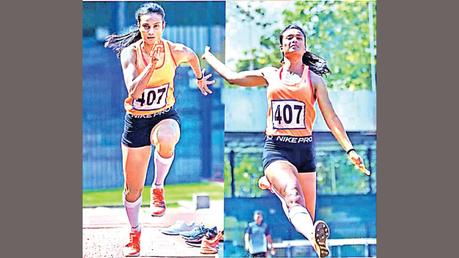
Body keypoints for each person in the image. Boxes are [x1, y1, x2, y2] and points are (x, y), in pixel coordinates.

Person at [202, 24, 370, 257]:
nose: (294, 40)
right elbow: (232, 77)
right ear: (282, 47)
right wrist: (208, 56)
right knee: (293, 196)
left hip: (304, 152)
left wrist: (350, 150)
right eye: (289, 38)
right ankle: (276, 187)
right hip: (277, 150)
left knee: (305, 218)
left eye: (299, 37)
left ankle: (287, 204)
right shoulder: (270, 74)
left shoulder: (314, 80)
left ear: (304, 46)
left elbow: (331, 117)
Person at [104, 2, 214, 257]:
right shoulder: (129, 54)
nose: (151, 31)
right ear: (139, 28)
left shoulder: (175, 50)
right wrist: (152, 67)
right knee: (132, 188)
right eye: (146, 26)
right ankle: (134, 234)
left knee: (167, 136)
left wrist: (198, 78)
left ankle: (158, 186)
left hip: (164, 115)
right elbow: (133, 90)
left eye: (156, 26)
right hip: (136, 122)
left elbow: (192, 56)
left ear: (163, 27)